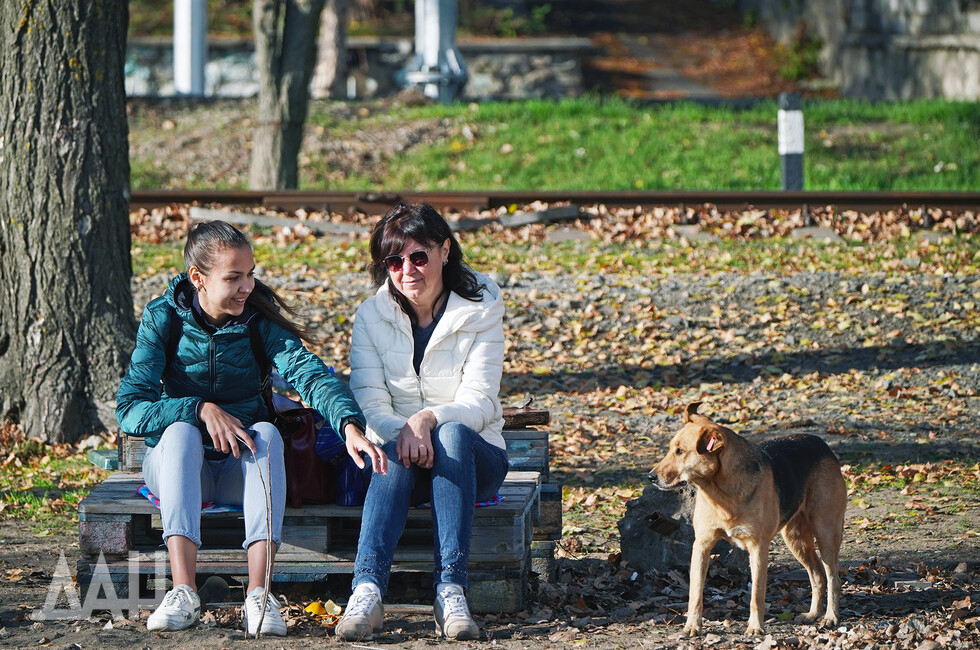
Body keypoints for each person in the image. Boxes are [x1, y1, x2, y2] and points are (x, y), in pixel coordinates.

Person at [116, 221, 385, 636]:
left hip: (237, 472)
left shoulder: (257, 321)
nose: (247, 286)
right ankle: (184, 592)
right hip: (175, 468)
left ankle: (259, 596)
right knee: (181, 433)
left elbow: (309, 373)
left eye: (250, 273)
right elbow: (130, 408)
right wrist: (198, 408)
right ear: (197, 278)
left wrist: (349, 424)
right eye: (234, 277)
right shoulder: (163, 318)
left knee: (268, 433)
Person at [336, 202, 509, 642]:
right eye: (394, 260)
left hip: (474, 458)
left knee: (451, 431)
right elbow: (369, 402)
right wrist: (406, 431)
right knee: (393, 448)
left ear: (445, 250)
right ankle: (367, 590)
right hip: (402, 461)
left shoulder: (482, 305)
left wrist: (428, 418)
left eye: (419, 256)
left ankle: (451, 589)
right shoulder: (370, 316)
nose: (407, 269)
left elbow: (481, 400)